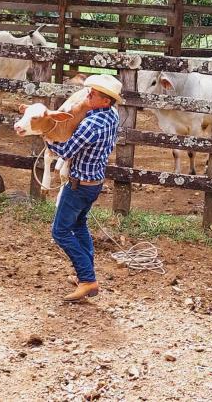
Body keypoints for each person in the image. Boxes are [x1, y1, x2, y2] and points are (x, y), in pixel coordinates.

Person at [46, 74, 123, 302]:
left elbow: (65, 152)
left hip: (78, 186)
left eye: (93, 94)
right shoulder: (109, 117)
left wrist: (48, 137)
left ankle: (88, 280)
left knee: (59, 232)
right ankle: (86, 275)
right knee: (79, 226)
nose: (87, 94)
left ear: (106, 101)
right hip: (94, 183)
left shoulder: (90, 125)